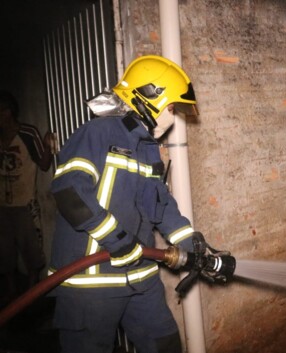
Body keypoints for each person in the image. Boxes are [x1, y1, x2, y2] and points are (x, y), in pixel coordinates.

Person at [49, 55, 205, 353]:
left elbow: (161, 206)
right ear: (150, 98)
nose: (173, 118)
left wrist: (192, 241)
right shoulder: (98, 133)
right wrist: (116, 238)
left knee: (166, 345)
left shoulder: (149, 151)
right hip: (91, 286)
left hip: (141, 278)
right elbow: (69, 191)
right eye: (171, 108)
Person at [0, 90, 52, 305]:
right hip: (2, 205)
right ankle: (12, 290)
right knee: (4, 251)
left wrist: (49, 145)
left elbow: (44, 164)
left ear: (8, 112)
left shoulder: (27, 133)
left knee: (31, 249)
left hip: (24, 203)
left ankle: (31, 292)